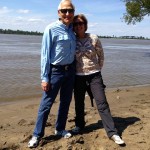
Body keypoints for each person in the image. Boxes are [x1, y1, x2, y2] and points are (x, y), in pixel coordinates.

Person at [28, 0, 76, 148]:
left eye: (70, 11)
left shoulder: (73, 29)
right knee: (46, 104)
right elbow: (45, 55)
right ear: (58, 13)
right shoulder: (51, 29)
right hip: (55, 71)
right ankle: (37, 135)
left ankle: (60, 128)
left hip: (70, 71)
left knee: (65, 102)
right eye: (64, 11)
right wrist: (44, 77)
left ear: (73, 13)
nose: (67, 13)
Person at [72, 14, 125, 145]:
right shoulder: (71, 39)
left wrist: (96, 70)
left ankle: (112, 132)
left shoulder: (93, 38)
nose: (79, 26)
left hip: (94, 75)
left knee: (102, 103)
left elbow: (101, 56)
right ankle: (79, 125)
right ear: (73, 26)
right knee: (79, 102)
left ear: (85, 25)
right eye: (76, 24)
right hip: (78, 76)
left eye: (81, 23)